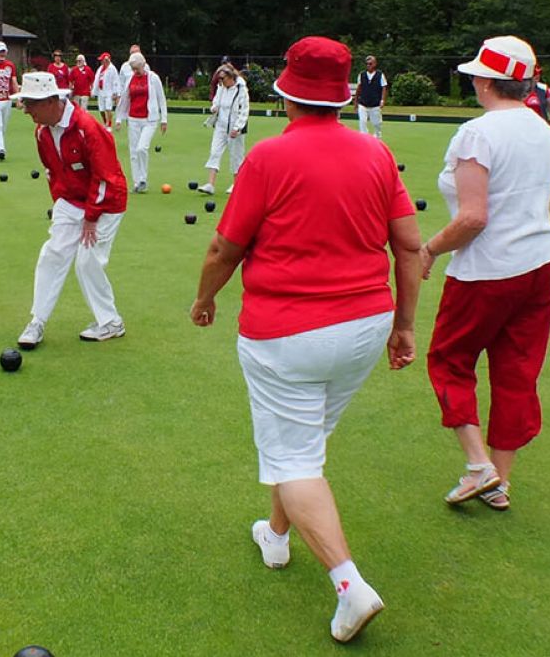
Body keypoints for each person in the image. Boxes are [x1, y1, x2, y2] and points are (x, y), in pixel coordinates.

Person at [189, 36, 421, 644]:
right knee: (302, 445)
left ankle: (350, 587)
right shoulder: (376, 152)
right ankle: (276, 536)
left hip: (286, 335)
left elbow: (224, 248)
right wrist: (404, 325)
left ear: (287, 94)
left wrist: (205, 298)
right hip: (365, 328)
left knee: (294, 457)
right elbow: (409, 247)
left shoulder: (268, 157)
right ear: (344, 97)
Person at [420, 35, 550, 514]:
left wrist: (430, 249)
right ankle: (499, 480)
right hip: (541, 263)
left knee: (449, 359)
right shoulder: (544, 131)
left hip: (487, 269)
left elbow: (473, 218)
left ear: (486, 81)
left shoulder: (478, 134)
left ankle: (479, 465)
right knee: (517, 369)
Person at [14, 71, 129, 350]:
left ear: (51, 101)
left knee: (87, 261)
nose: (26, 110)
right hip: (70, 200)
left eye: (31, 103)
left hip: (106, 201)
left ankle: (111, 322)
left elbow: (105, 176)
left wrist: (90, 217)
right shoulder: (42, 132)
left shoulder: (87, 128)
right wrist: (61, 204)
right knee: (52, 253)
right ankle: (37, 322)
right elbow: (53, 171)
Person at [115, 51, 168, 193]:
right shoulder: (130, 79)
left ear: (143, 65)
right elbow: (125, 100)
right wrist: (119, 119)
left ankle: (143, 179)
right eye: (133, 69)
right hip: (133, 119)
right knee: (133, 151)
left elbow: (161, 99)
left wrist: (164, 119)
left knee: (141, 148)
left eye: (136, 68)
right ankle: (137, 182)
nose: (135, 71)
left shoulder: (153, 78)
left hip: (149, 119)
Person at [200, 65, 249, 195]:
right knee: (214, 152)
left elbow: (244, 110)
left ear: (231, 76)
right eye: (219, 78)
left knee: (236, 156)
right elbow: (216, 101)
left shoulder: (241, 89)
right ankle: (210, 184)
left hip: (235, 127)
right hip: (221, 125)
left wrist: (237, 127)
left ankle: (237, 184)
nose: (221, 81)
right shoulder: (221, 87)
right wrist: (214, 108)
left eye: (223, 78)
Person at [354, 55, 389, 137]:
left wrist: (382, 100)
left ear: (375, 64)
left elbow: (384, 87)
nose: (368, 65)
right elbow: (359, 89)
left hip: (375, 104)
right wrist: (356, 102)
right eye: (367, 64)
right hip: (363, 104)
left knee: (377, 124)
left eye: (370, 64)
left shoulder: (380, 75)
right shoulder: (362, 75)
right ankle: (364, 139)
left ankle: (377, 138)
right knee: (362, 122)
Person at [92, 51, 121, 129]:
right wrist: (94, 91)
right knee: (101, 109)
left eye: (102, 60)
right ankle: (105, 122)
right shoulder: (100, 69)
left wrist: (115, 92)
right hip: (101, 91)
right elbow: (96, 80)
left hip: (109, 92)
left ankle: (109, 125)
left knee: (108, 108)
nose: (101, 61)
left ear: (107, 60)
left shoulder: (112, 69)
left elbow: (116, 81)